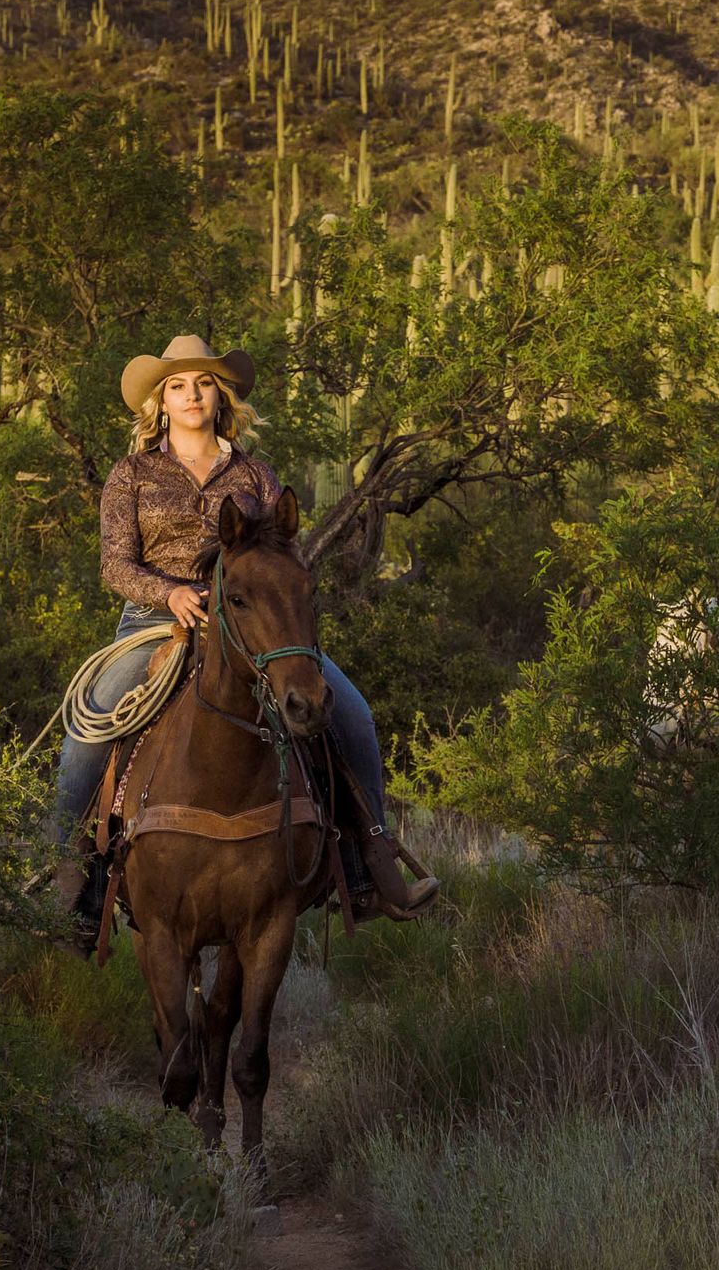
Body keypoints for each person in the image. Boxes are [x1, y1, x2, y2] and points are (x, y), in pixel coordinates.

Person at [41, 334, 436, 942]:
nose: (191, 393)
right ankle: (67, 885)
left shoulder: (254, 473)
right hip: (156, 628)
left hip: (253, 629)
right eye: (177, 385)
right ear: (161, 401)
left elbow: (282, 551)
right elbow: (115, 565)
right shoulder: (132, 474)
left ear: (218, 394)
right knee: (87, 736)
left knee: (351, 718)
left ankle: (370, 869)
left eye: (201, 382)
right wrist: (168, 593)